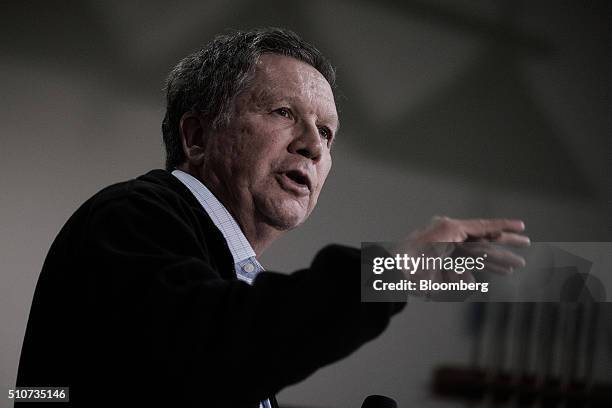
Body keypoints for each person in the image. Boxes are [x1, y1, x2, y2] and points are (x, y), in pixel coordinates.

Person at [16, 28, 529, 407]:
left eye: (327, 133)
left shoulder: (227, 277)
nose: (312, 146)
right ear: (196, 136)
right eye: (284, 113)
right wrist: (391, 269)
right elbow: (210, 351)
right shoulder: (130, 217)